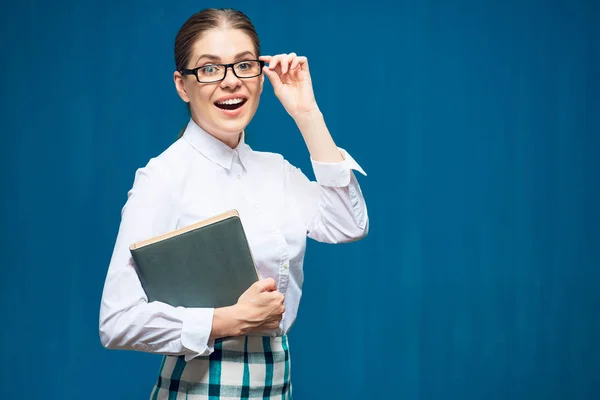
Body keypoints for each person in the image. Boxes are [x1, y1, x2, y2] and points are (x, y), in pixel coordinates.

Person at [99, 7, 368, 399]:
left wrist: (307, 113)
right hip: (199, 387)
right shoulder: (163, 178)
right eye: (209, 69)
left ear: (260, 75)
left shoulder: (275, 171)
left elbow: (348, 224)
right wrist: (229, 320)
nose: (230, 83)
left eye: (244, 65)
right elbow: (117, 321)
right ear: (182, 85)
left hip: (275, 382)